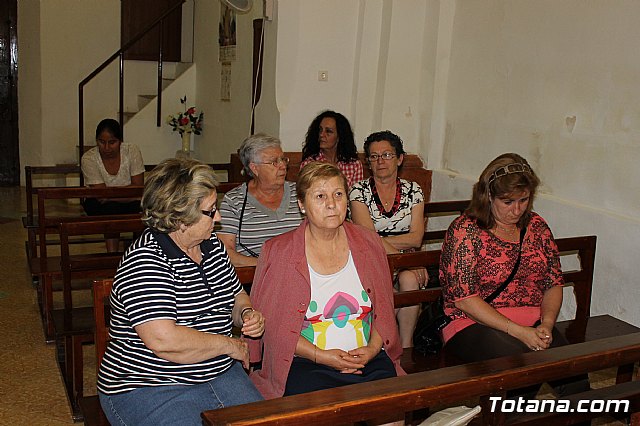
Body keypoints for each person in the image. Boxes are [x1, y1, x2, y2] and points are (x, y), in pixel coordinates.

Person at [97, 158, 265, 426]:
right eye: (210, 211)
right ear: (180, 217)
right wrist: (229, 344)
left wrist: (245, 312)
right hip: (149, 384)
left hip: (217, 371)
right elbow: (165, 340)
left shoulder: (212, 247)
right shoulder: (146, 261)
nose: (218, 217)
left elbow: (235, 295)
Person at [248, 162, 405, 401]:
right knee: (320, 409)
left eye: (338, 194)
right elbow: (274, 327)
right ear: (301, 204)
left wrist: (372, 349)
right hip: (306, 362)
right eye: (320, 196)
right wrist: (322, 356)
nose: (331, 204)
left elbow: (383, 308)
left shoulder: (369, 243)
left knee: (391, 406)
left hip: (367, 358)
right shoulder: (279, 252)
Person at [440, 152, 589, 396]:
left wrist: (547, 324)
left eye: (523, 200)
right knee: (520, 367)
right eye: (507, 202)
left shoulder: (537, 226)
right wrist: (520, 332)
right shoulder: (465, 231)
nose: (517, 210)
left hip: (533, 323)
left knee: (573, 374)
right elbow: (464, 299)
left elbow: (553, 282)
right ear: (488, 196)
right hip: (472, 323)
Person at [350, 130, 426, 348]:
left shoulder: (414, 190)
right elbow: (367, 237)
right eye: (374, 156)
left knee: (410, 280)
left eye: (387, 155)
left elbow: (416, 237)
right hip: (370, 258)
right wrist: (405, 259)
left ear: (400, 158)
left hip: (399, 257)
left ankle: (406, 344)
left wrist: (405, 259)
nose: (380, 161)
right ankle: (382, 344)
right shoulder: (359, 191)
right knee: (386, 288)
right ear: (368, 162)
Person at [217, 133, 304, 267]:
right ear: (254, 168)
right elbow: (226, 253)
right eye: (274, 162)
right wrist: (268, 266)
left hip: (301, 271)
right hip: (255, 278)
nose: (282, 166)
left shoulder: (300, 193)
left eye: (283, 159)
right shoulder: (234, 200)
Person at [81, 118, 145, 251]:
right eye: (102, 142)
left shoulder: (131, 151)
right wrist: (128, 193)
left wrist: (110, 195)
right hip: (100, 204)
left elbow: (138, 188)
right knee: (111, 210)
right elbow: (100, 194)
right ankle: (111, 256)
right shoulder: (89, 158)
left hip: (127, 201)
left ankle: (138, 253)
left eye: (112, 142)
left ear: (120, 141)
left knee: (144, 209)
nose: (107, 148)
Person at [300, 110, 363, 188]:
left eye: (328, 131)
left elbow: (356, 196)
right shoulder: (309, 163)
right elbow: (305, 194)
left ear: (339, 136)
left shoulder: (354, 164)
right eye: (320, 130)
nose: (321, 135)